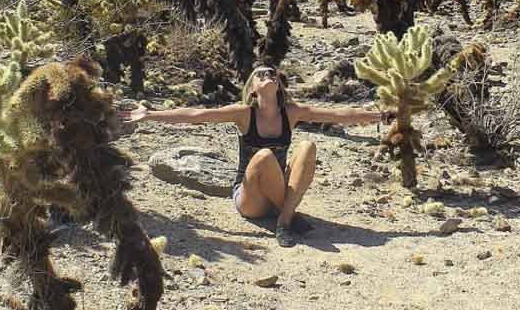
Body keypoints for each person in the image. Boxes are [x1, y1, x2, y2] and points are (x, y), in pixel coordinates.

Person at [119, 64, 392, 247]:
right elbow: (197, 115)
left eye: (272, 73)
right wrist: (151, 114)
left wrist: (379, 115)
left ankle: (284, 221)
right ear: (252, 89)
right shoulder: (243, 113)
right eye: (261, 74)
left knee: (307, 146)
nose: (268, 75)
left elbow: (339, 115)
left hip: (277, 193)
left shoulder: (292, 112)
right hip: (250, 198)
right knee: (262, 156)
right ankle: (287, 214)